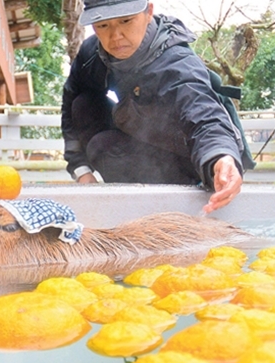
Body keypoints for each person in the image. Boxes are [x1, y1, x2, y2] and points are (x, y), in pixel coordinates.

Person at [61, 0, 253, 213]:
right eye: (103, 25)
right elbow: (71, 103)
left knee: (208, 151)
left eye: (126, 21)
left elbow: (204, 114)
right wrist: (81, 169)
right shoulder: (91, 55)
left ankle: (180, 198)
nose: (115, 36)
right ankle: (131, 203)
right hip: (140, 142)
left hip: (188, 152)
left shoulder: (178, 63)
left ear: (148, 12)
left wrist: (220, 157)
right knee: (84, 106)